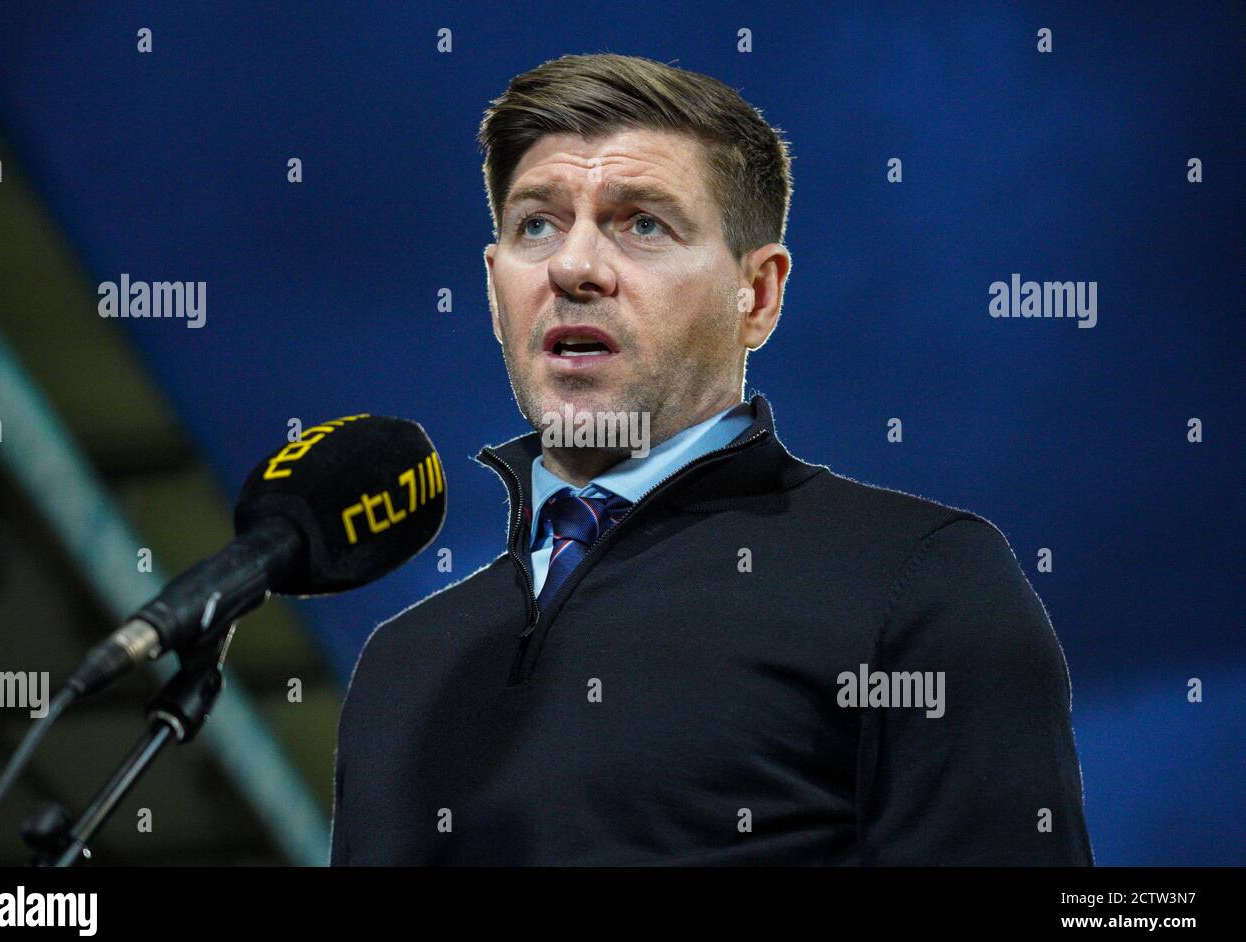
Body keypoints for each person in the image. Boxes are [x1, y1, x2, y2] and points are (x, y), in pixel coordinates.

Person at [330, 53, 1093, 865]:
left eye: (643, 223)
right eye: (537, 224)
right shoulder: (402, 665)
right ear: (494, 287)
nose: (573, 266)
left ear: (757, 295)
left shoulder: (919, 582)